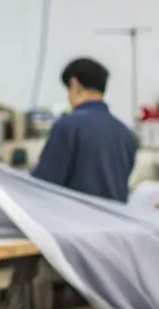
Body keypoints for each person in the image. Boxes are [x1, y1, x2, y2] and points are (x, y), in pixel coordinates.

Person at [31, 57, 137, 202]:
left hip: (75, 220)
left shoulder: (67, 125)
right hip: (115, 222)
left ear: (74, 85)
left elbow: (43, 184)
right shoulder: (127, 135)